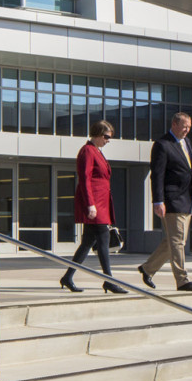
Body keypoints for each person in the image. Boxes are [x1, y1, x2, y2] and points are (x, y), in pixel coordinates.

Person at [139, 111, 192, 291]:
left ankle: (147, 268)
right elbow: (157, 175)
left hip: (186, 200)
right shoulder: (162, 145)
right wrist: (158, 200)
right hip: (171, 200)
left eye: (189, 127)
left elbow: (189, 172)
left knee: (173, 241)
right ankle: (182, 280)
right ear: (174, 124)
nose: (187, 130)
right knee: (177, 242)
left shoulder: (187, 143)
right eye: (184, 127)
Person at [60, 120, 126, 294]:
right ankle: (109, 280)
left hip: (101, 203)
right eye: (106, 136)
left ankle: (68, 277)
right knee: (103, 241)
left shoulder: (96, 151)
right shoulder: (87, 151)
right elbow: (85, 179)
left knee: (87, 243)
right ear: (97, 134)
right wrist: (90, 204)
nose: (108, 140)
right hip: (95, 204)